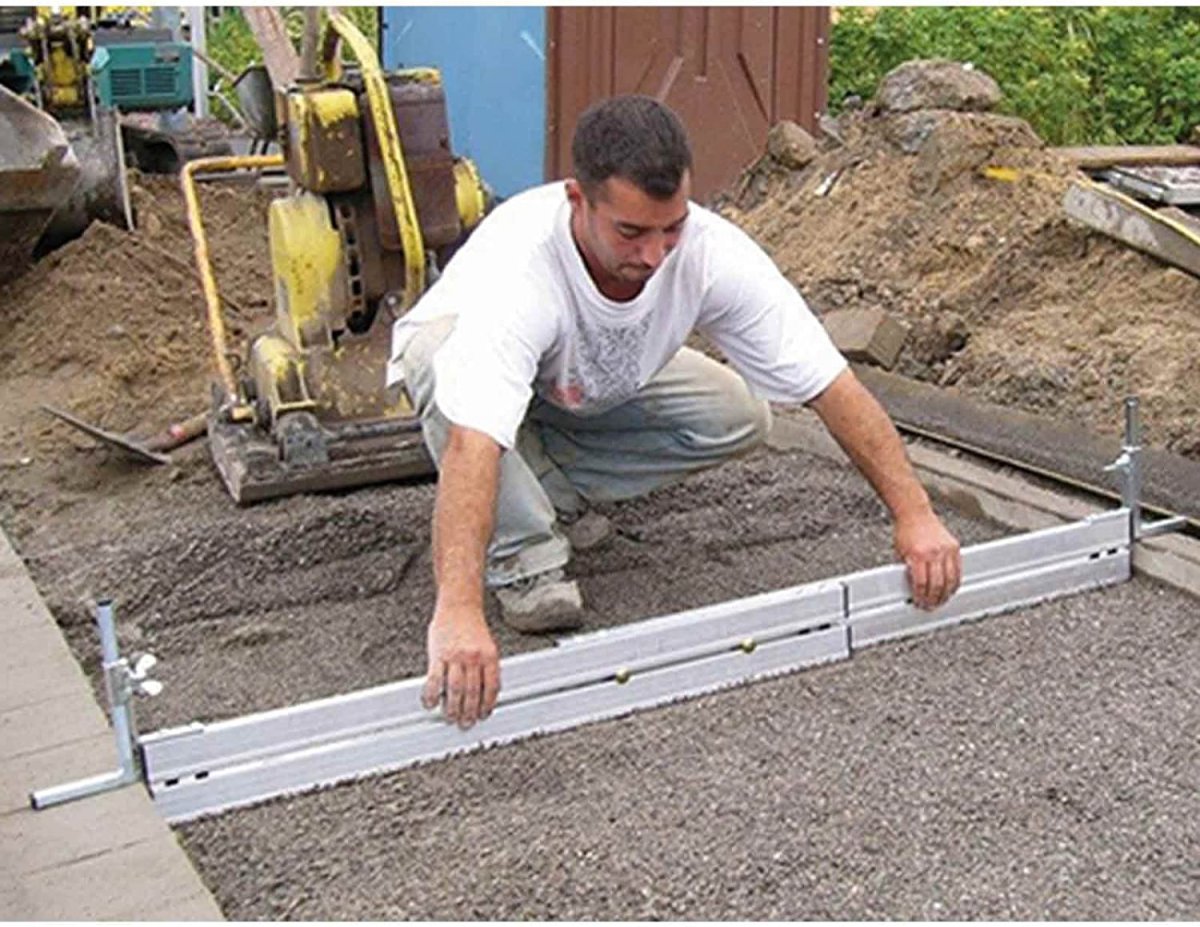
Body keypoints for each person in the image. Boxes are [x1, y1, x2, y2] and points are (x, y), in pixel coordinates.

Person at [386, 95, 962, 730]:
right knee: (437, 362)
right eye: (631, 232)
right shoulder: (519, 273)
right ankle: (524, 556)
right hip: (468, 368)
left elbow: (831, 384)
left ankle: (543, 490)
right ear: (578, 201)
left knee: (739, 413)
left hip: (577, 385)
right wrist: (459, 611)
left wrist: (916, 515)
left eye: (672, 228)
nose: (656, 255)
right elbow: (472, 444)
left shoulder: (711, 252)